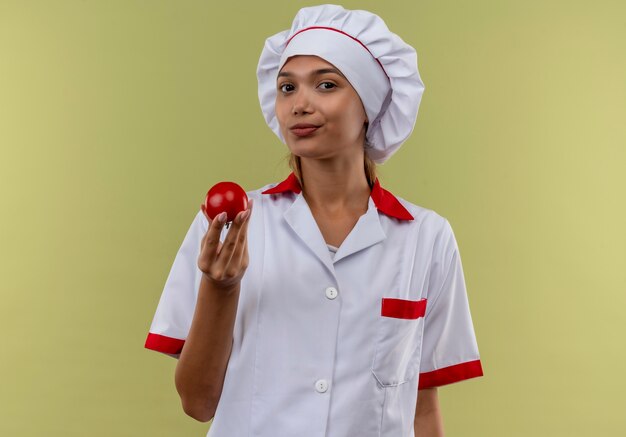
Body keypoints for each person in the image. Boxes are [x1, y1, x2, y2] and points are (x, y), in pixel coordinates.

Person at [145, 4, 483, 436]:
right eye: (286, 88)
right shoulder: (231, 225)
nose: (299, 104)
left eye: (326, 84)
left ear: (370, 105)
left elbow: (421, 408)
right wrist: (221, 286)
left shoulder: (426, 237)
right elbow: (197, 402)